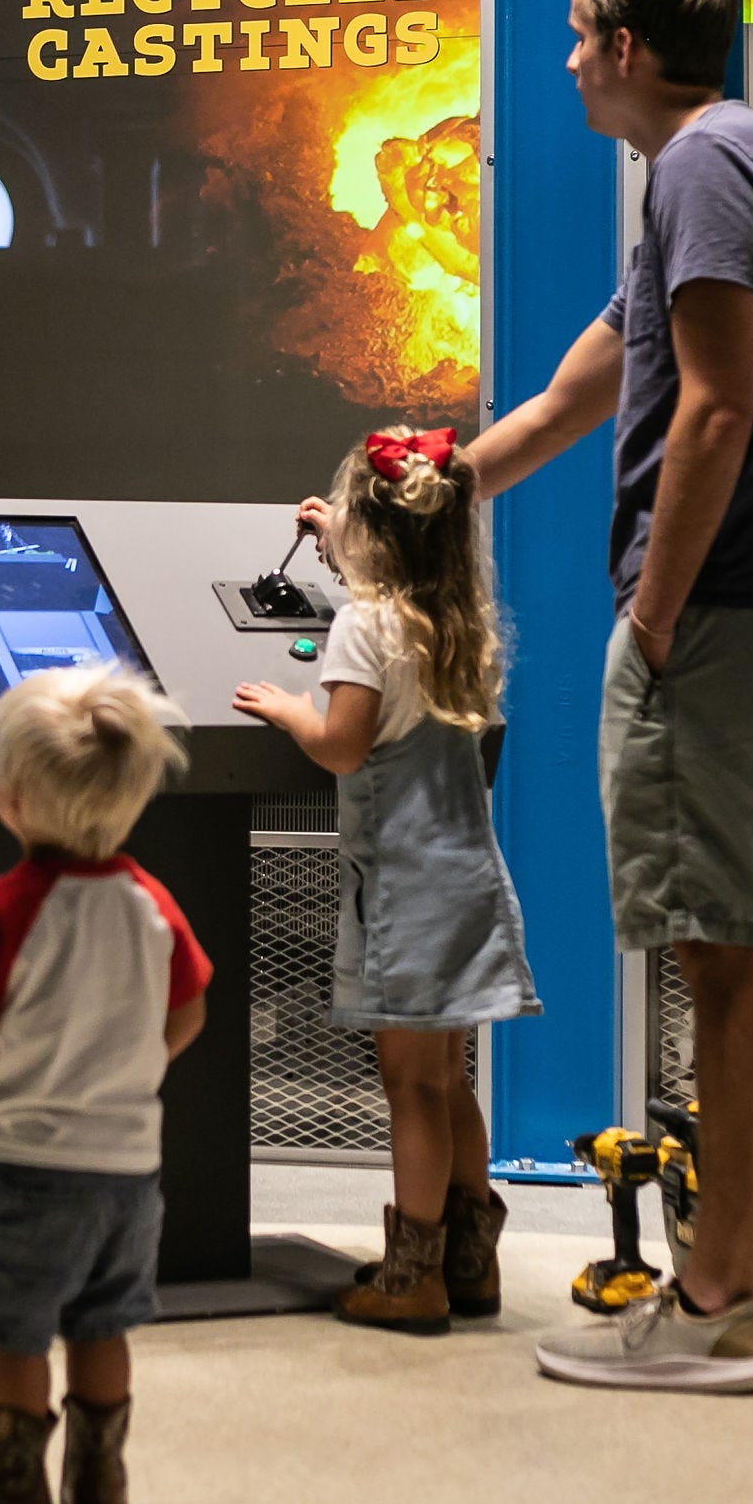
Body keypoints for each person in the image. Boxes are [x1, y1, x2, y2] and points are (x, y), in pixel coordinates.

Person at [454, 0, 753, 1395]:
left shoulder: (696, 170)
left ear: (629, 45)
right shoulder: (748, 158)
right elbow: (588, 382)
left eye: (576, 34)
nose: (563, 59)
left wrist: (655, 612)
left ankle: (707, 1310)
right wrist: (445, 487)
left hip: (724, 615)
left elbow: (711, 410)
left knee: (728, 962)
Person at [234, 424, 541, 1334]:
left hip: (406, 889)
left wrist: (289, 707)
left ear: (372, 536)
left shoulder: (363, 627)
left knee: (407, 1087)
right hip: (468, 878)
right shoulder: (453, 614)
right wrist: (338, 530)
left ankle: (413, 1280)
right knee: (448, 1082)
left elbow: (342, 743)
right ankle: (468, 1261)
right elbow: (387, 587)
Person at [0, 665, 212, 1504]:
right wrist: (135, 1068)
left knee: (15, 1329)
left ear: (10, 797)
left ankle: (6, 1481)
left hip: (28, 1164)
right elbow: (189, 1008)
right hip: (128, 1171)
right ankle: (99, 1477)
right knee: (102, 1321)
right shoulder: (150, 904)